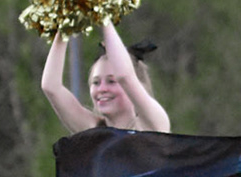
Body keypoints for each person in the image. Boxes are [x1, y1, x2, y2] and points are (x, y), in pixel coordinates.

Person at [41, 23, 169, 134]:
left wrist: (103, 16)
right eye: (96, 82)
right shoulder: (92, 128)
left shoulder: (153, 124)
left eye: (111, 81)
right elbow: (51, 87)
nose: (102, 89)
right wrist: (64, 27)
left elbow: (125, 77)